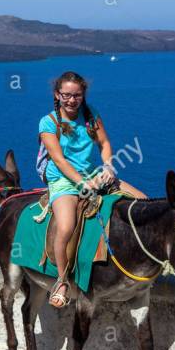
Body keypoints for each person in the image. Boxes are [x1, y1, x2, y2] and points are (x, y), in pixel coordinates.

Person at [39, 71, 146, 308]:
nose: (71, 100)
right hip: (65, 181)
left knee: (143, 202)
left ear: (83, 94)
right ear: (57, 94)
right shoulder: (48, 123)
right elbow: (59, 161)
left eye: (76, 95)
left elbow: (105, 143)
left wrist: (108, 166)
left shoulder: (90, 115)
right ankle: (62, 280)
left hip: (93, 176)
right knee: (66, 226)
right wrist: (81, 183)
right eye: (66, 95)